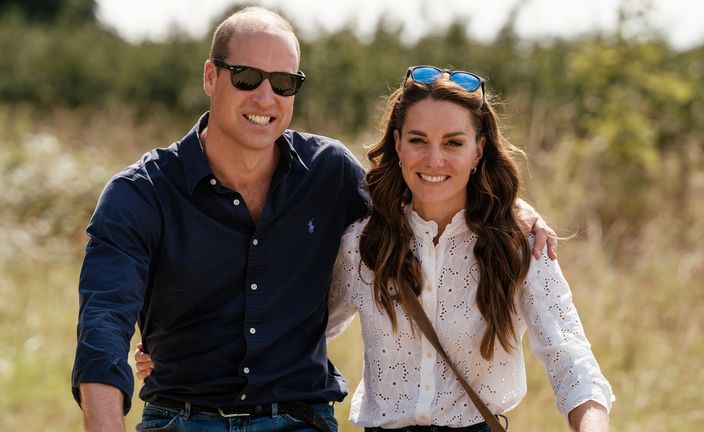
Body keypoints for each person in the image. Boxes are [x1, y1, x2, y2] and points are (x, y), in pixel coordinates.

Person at [75, 6, 555, 432]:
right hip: (180, 418)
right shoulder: (139, 195)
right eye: (246, 77)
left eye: (283, 83)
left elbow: (423, 195)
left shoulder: (327, 174)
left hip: (298, 419)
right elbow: (102, 328)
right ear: (210, 76)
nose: (265, 98)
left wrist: (513, 208)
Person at [323, 67, 614, 431]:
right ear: (397, 144)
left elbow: (569, 357)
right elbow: (306, 331)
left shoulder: (518, 244)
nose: (433, 159)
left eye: (453, 143)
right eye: (418, 140)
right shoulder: (362, 243)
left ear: (478, 151)